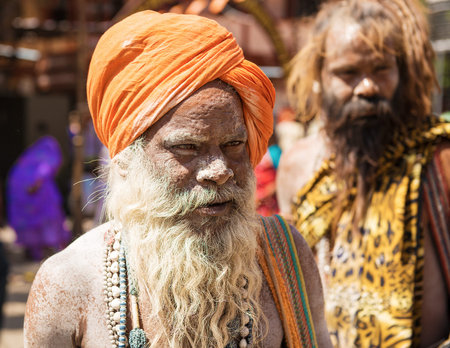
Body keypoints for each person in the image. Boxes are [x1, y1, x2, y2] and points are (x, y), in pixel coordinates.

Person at [24, 11, 332, 348]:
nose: (219, 169)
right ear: (129, 158)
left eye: (233, 145)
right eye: (187, 147)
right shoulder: (69, 282)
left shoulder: (286, 257)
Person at [276, 0, 450, 347]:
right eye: (349, 72)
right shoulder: (297, 167)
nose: (367, 87)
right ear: (320, 77)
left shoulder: (438, 160)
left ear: (403, 74)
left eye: (381, 69)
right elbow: (289, 285)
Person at [6, 135, 71, 261]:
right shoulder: (47, 156)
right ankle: (48, 254)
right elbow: (42, 174)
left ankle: (35, 252)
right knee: (47, 220)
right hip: (36, 195)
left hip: (22, 196)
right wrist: (35, 186)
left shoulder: (28, 159)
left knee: (33, 224)